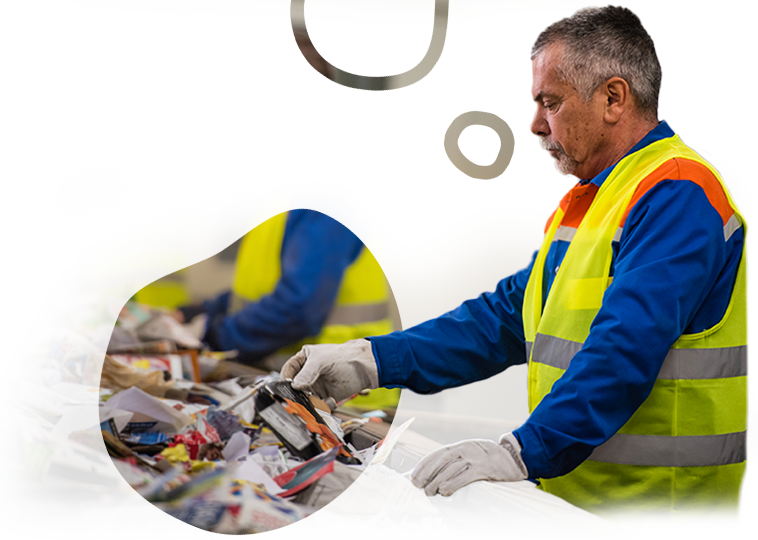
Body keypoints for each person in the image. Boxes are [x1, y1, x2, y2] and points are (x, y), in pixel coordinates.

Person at [282, 6, 747, 539]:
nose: (535, 124)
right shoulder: (592, 196)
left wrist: (524, 450)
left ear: (614, 98)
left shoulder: (678, 193)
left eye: (551, 103)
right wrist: (375, 360)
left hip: (655, 518)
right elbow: (506, 317)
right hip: (577, 505)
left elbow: (627, 347)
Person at [177, 31, 399, 409]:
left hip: (338, 405)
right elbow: (267, 286)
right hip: (309, 395)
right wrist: (201, 312)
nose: (249, 107)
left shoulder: (324, 183)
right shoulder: (298, 178)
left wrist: (213, 336)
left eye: (253, 90)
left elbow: (298, 309)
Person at [21, 39, 195, 308]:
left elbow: (64, 228)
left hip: (112, 310)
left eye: (102, 80)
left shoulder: (102, 138)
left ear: (121, 76)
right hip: (167, 311)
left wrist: (28, 251)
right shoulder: (170, 139)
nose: (101, 91)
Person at [0, 80, 74, 246]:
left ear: (58, 120)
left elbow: (51, 230)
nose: (20, 130)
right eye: (19, 121)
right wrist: (12, 186)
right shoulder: (50, 158)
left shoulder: (67, 160)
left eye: (28, 120)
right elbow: (40, 205)